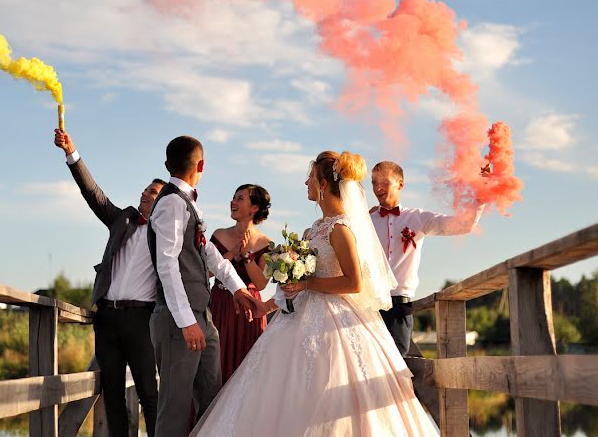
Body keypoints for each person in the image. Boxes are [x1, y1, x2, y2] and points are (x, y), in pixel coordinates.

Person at [189, 151, 438, 437]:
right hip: (298, 317)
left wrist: (308, 285)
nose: (305, 182)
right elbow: (297, 284)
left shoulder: (341, 229)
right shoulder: (312, 230)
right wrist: (266, 306)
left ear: (321, 184)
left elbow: (353, 282)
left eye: (309, 177)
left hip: (335, 321)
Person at [147, 135, 264, 437]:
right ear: (201, 165)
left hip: (203, 316)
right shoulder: (172, 203)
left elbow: (207, 252)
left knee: (213, 401)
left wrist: (238, 289)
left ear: (167, 164)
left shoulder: (187, 203)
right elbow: (167, 265)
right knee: (175, 409)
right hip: (179, 321)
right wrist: (186, 322)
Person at [53, 128, 161, 437]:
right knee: (111, 393)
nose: (145, 194)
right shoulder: (122, 219)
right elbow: (93, 193)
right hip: (107, 318)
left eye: (153, 193)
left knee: (148, 395)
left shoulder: (168, 236)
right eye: (145, 190)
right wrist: (71, 153)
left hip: (142, 319)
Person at [369, 160, 486, 356]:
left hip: (400, 307)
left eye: (384, 182)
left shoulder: (418, 218)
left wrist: (480, 197)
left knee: (398, 365)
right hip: (368, 306)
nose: (378, 188)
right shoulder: (366, 221)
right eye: (373, 182)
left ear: (400, 184)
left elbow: (463, 225)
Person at [209, 184, 272, 383]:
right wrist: (231, 254)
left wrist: (245, 256)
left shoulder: (266, 244)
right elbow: (207, 272)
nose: (233, 202)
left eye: (240, 198)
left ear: (254, 208)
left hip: (249, 308)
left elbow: (261, 283)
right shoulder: (219, 235)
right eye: (233, 197)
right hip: (219, 303)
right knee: (215, 362)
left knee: (246, 365)